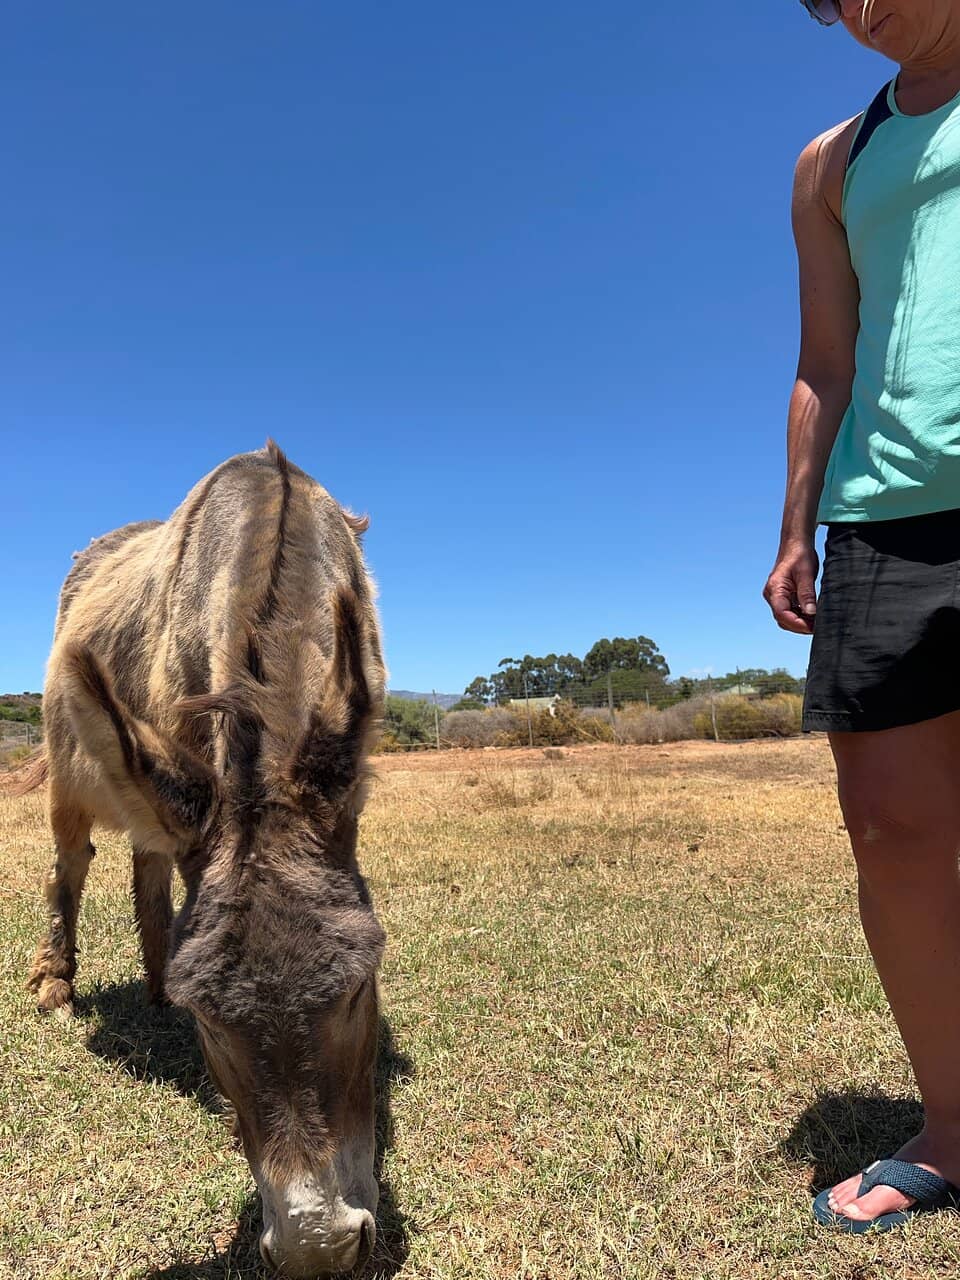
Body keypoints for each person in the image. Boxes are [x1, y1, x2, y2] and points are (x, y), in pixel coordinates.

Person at [765, 0, 960, 1233]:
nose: (859, 10)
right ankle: (953, 1121)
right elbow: (825, 354)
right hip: (887, 514)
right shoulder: (830, 162)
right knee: (891, 829)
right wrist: (794, 525)